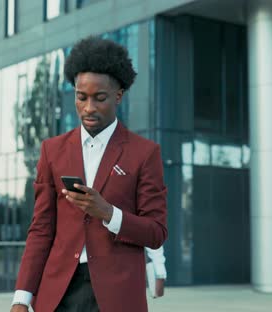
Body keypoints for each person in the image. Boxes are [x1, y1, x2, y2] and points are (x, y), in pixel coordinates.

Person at [11, 36, 168, 312]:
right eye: (81, 97)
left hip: (116, 297)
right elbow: (41, 229)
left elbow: (156, 232)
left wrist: (108, 212)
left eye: (100, 98)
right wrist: (22, 298)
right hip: (59, 293)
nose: (88, 108)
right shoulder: (52, 151)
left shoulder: (144, 153)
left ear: (118, 95)